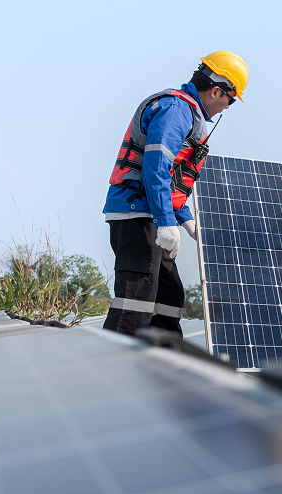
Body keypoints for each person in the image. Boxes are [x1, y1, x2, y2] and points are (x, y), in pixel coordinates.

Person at [101, 52, 248, 337]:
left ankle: (163, 363)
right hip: (138, 213)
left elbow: (174, 179)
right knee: (137, 299)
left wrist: (185, 219)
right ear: (216, 90)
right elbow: (156, 168)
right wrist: (166, 221)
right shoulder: (175, 110)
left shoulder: (187, 113)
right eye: (230, 100)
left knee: (169, 296)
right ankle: (115, 369)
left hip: (153, 213)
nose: (228, 107)